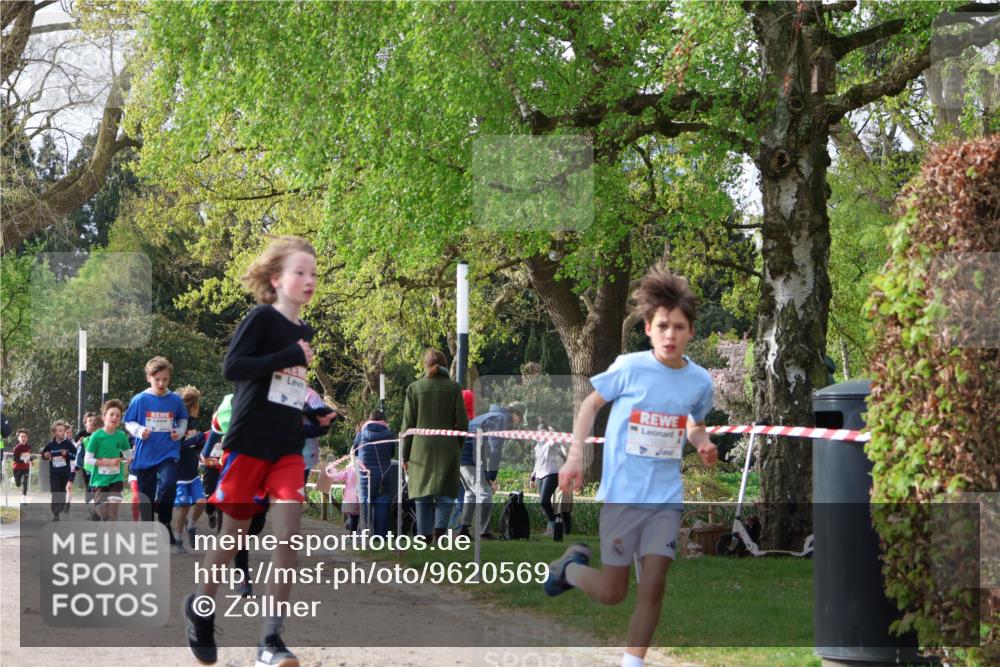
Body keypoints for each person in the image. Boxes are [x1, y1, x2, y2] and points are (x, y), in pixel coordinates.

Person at [545, 264, 718, 667]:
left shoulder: (699, 381)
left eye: (678, 327)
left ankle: (632, 663)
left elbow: (695, 424)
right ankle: (569, 569)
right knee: (612, 592)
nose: (670, 335)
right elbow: (589, 404)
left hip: (665, 499)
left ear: (690, 331)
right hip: (623, 495)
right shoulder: (629, 367)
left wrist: (704, 442)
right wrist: (574, 456)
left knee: (654, 586)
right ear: (648, 329)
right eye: (662, 326)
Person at [184, 235, 318, 667]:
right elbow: (233, 368)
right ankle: (200, 609)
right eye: (300, 272)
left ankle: (271, 639)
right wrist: (287, 355)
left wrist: (313, 419)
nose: (309, 280)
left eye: (314, 273)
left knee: (288, 539)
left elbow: (286, 393)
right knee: (231, 540)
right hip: (247, 445)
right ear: (277, 279)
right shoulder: (262, 319)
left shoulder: (304, 332)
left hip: (286, 449)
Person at [399, 348, 468, 542]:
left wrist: (405, 456)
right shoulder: (454, 387)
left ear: (425, 365)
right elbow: (463, 422)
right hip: (448, 448)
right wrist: (457, 444)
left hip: (420, 450)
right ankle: (439, 533)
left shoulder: (414, 388)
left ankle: (423, 535)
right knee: (445, 493)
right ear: (446, 365)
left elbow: (407, 425)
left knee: (422, 495)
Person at [124, 356, 189, 538]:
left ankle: (165, 521)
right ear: (148, 378)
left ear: (169, 378)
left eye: (165, 379)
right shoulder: (140, 399)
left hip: (168, 451)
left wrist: (180, 431)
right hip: (146, 453)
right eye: (157, 379)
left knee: (169, 484)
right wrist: (139, 430)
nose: (161, 383)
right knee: (146, 495)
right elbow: (128, 421)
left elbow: (183, 419)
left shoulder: (175, 400)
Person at [458, 401, 524, 539]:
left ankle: (464, 529)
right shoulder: (501, 419)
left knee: (470, 493)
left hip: (461, 456)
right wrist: (491, 475)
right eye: (520, 418)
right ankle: (484, 532)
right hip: (471, 458)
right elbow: (495, 448)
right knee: (485, 493)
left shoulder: (488, 415)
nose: (518, 422)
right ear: (515, 414)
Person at [84, 400, 131, 521]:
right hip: (100, 479)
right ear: (104, 417)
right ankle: (95, 511)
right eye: (112, 414)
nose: (114, 417)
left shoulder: (121, 436)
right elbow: (88, 459)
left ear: (120, 420)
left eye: (118, 415)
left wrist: (132, 458)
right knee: (104, 513)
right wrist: (107, 462)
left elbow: (128, 455)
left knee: (113, 512)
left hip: (116, 477)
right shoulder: (96, 436)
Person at [173, 386, 207, 553]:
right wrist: (194, 439)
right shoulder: (178, 424)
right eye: (197, 405)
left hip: (192, 473)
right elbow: (177, 447)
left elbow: (195, 446)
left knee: (201, 502)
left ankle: (191, 525)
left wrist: (200, 441)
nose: (198, 409)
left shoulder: (193, 423)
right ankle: (178, 539)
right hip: (179, 474)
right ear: (190, 407)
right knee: (184, 506)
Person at [353, 409, 397, 537]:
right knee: (382, 503)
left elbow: (356, 451)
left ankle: (365, 533)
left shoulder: (361, 434)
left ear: (369, 419)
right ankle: (380, 537)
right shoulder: (389, 435)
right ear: (384, 421)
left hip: (365, 474)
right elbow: (392, 453)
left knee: (365, 501)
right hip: (384, 474)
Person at [532, 415, 567, 537]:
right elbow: (537, 462)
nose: (541, 434)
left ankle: (554, 527)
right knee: (544, 503)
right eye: (539, 432)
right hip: (539, 475)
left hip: (552, 473)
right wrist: (533, 477)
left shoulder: (551, 442)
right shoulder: (537, 447)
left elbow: (559, 445)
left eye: (543, 432)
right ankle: (551, 527)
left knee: (544, 501)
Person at [69, 412, 101, 520]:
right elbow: (77, 449)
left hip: (98, 466)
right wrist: (78, 465)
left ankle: (97, 511)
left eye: (94, 421)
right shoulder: (82, 435)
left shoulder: (99, 434)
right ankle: (91, 510)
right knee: (89, 489)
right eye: (90, 421)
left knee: (97, 488)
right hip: (86, 467)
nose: (92, 423)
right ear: (85, 423)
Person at [41, 420, 76, 520]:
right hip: (54, 473)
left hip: (65, 473)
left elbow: (74, 456)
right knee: (55, 491)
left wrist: (67, 454)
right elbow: (44, 454)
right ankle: (56, 513)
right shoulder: (50, 445)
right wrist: (46, 455)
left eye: (63, 431)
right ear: (55, 432)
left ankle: (60, 508)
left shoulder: (68, 444)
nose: (62, 433)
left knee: (62, 492)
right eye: (60, 431)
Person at [325, 458, 360, 532]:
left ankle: (352, 534)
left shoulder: (349, 469)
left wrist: (331, 469)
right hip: (363, 495)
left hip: (351, 497)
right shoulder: (365, 466)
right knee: (360, 517)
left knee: (353, 516)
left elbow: (336, 477)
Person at [12, 429, 32, 499]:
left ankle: (24, 497)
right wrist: (24, 460)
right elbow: (15, 459)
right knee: (18, 484)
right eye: (22, 437)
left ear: (27, 438)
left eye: (25, 436)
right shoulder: (17, 448)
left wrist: (31, 460)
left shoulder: (29, 446)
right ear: (18, 438)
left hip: (25, 468)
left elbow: (28, 455)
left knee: (24, 481)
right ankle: (15, 479)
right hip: (17, 468)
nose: (23, 438)